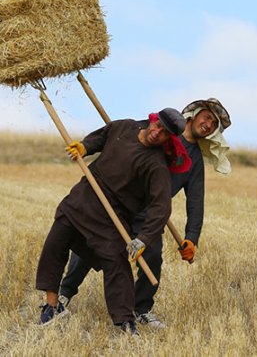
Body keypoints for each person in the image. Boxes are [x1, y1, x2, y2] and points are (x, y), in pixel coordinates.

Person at [58, 98, 232, 329]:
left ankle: (140, 309)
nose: (209, 124)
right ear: (194, 115)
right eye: (207, 117)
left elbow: (196, 202)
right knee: (90, 247)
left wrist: (192, 237)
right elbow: (112, 134)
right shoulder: (162, 129)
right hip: (121, 202)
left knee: (152, 257)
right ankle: (64, 295)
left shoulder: (195, 162)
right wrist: (86, 147)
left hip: (150, 215)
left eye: (214, 124)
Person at [36, 108, 187, 335]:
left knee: (117, 265)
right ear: (152, 120)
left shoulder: (156, 166)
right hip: (82, 198)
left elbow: (161, 207)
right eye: (158, 126)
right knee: (54, 246)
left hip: (112, 217)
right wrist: (85, 147)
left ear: (169, 138)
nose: (158, 133)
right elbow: (103, 136)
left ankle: (125, 323)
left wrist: (143, 239)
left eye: (165, 133)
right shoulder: (125, 126)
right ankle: (52, 306)